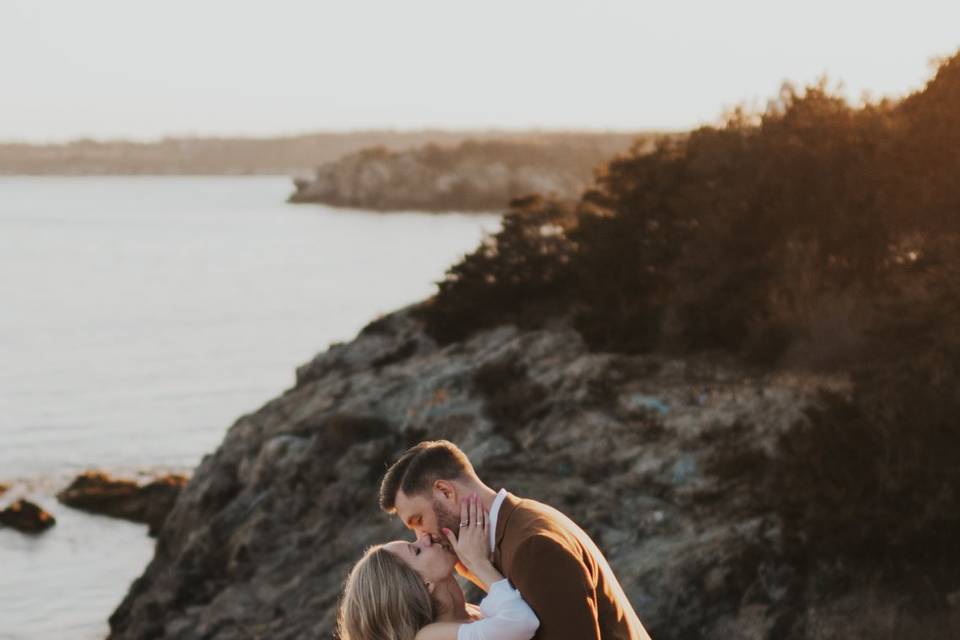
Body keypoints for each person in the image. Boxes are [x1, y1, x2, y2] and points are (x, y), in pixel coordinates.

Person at [379, 440, 652, 640]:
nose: (422, 537)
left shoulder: (532, 548)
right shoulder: (515, 529)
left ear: (445, 492)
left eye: (418, 521)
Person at [337, 492, 540, 640]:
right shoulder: (429, 637)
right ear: (424, 585)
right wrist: (479, 563)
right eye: (416, 551)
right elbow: (522, 623)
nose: (424, 538)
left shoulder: (467, 613)